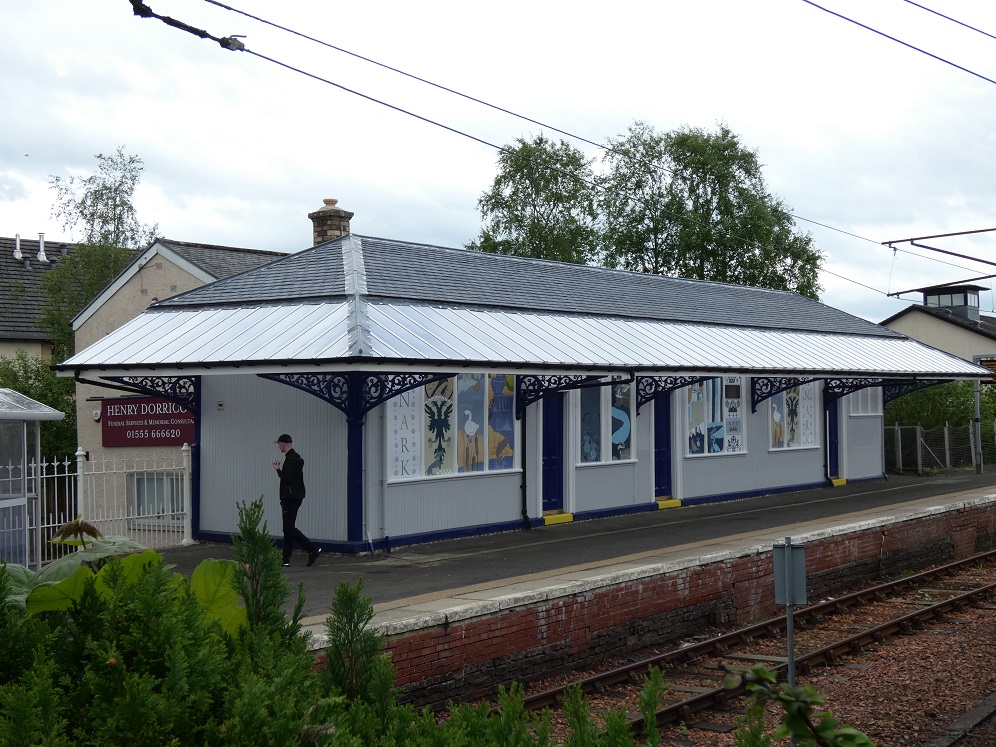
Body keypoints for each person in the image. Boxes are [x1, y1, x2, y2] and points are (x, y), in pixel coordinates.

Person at [272, 434, 321, 567]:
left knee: (289, 528)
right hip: (293, 497)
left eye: (279, 444)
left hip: (291, 497)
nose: (278, 447)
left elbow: (287, 478)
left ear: (283, 444)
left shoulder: (291, 460)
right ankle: (285, 559)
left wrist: (277, 470)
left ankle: (311, 549)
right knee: (287, 528)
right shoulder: (294, 458)